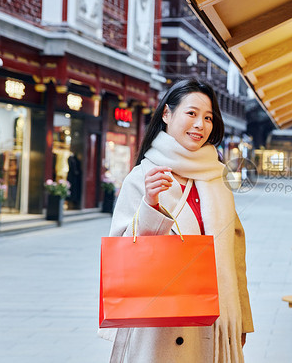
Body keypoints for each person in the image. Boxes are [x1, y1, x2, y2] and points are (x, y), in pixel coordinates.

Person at [99, 78, 254, 362]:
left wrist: (242, 318)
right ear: (167, 115)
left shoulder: (217, 179)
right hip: (160, 328)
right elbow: (122, 248)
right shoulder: (143, 177)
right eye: (191, 113)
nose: (200, 125)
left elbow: (236, 253)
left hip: (216, 323)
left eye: (208, 117)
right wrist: (151, 204)